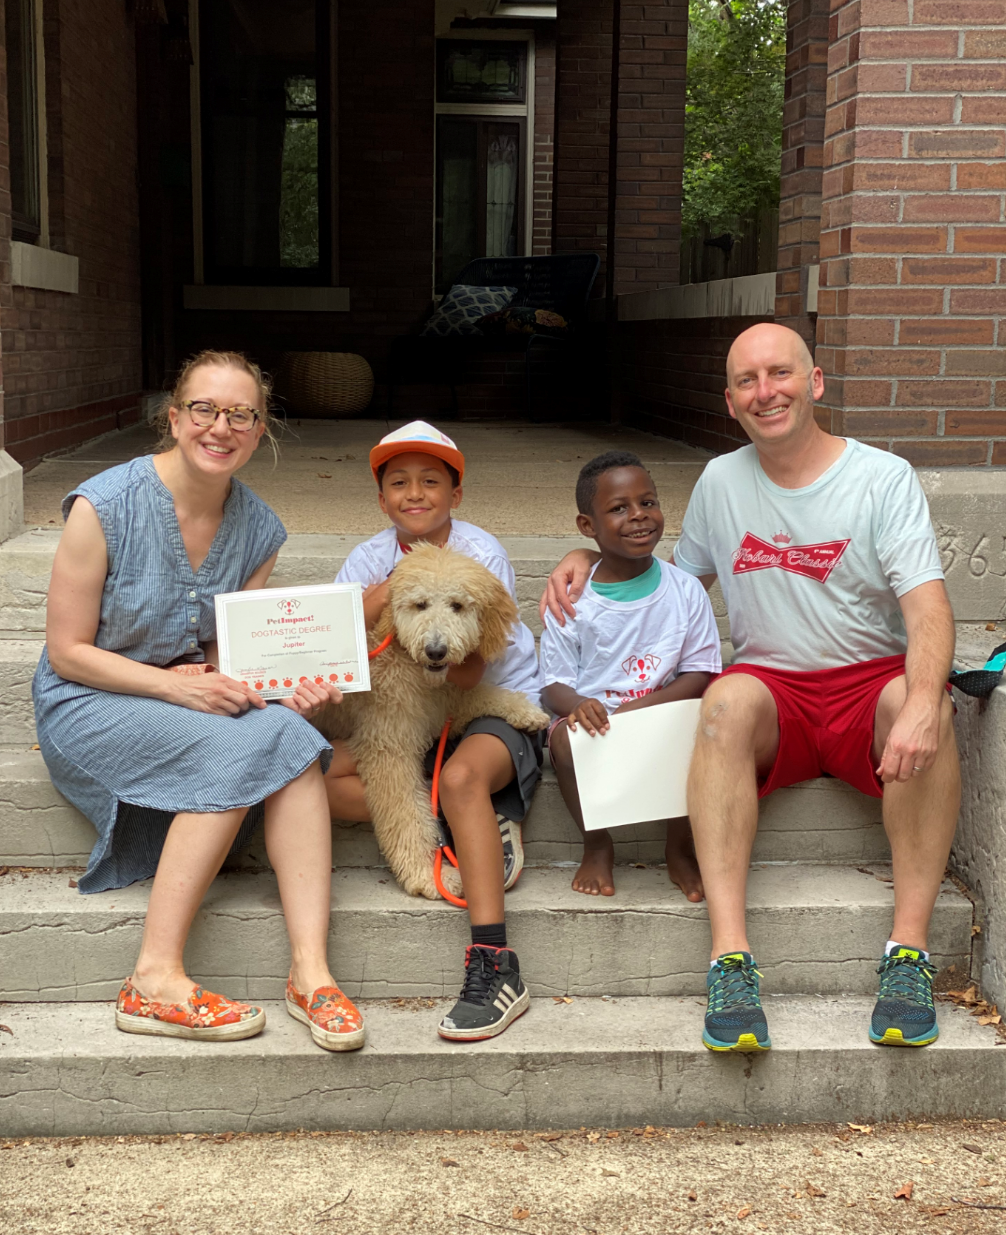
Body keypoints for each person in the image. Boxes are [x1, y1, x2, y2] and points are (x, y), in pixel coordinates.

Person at [541, 324, 957, 1053]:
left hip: (866, 683)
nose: (766, 392)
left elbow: (927, 608)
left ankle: (908, 956)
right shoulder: (721, 482)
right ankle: (730, 960)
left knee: (925, 703)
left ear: (815, 381)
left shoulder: (881, 477)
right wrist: (587, 553)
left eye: (779, 373)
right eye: (746, 381)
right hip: (773, 691)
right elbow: (669, 581)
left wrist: (924, 701)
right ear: (730, 401)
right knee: (723, 699)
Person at [33, 349, 365, 1050]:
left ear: (260, 425)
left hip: (183, 694)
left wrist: (284, 686)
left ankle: (312, 971)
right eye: (205, 410)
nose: (222, 427)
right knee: (246, 743)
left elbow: (226, 659)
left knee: (293, 736)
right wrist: (176, 686)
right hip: (88, 698)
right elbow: (68, 651)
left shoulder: (260, 529)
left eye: (241, 414)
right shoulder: (104, 506)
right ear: (175, 417)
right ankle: (152, 977)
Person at [325, 420, 543, 1043]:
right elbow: (339, 639)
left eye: (430, 482)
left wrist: (429, 608)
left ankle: (495, 961)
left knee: (459, 776)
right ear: (381, 497)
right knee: (319, 785)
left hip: (479, 701)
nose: (414, 493)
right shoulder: (369, 559)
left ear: (456, 494)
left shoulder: (481, 552)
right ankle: (468, 831)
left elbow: (470, 666)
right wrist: (394, 589)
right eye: (398, 483)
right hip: (401, 708)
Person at [539, 452, 720, 898]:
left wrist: (638, 712)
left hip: (663, 713)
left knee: (705, 729)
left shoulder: (685, 589)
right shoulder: (573, 599)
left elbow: (699, 673)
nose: (638, 516)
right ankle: (597, 844)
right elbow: (552, 684)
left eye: (648, 502)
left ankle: (680, 848)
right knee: (563, 739)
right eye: (619, 508)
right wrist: (578, 705)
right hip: (597, 723)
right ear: (588, 526)